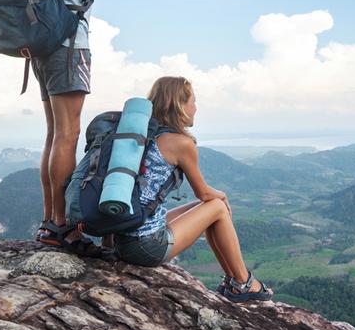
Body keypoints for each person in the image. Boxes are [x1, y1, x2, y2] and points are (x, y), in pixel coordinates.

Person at [117, 76, 273, 303]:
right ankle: (243, 282)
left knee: (208, 208)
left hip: (124, 238)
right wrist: (223, 196)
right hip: (145, 247)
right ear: (179, 105)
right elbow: (204, 193)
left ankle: (233, 281)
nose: (195, 107)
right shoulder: (180, 143)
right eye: (193, 101)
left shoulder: (142, 136)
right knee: (217, 206)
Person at [35, 0, 111, 256]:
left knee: (55, 134)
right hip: (68, 45)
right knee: (67, 134)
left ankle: (52, 221)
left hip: (46, 45)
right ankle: (62, 226)